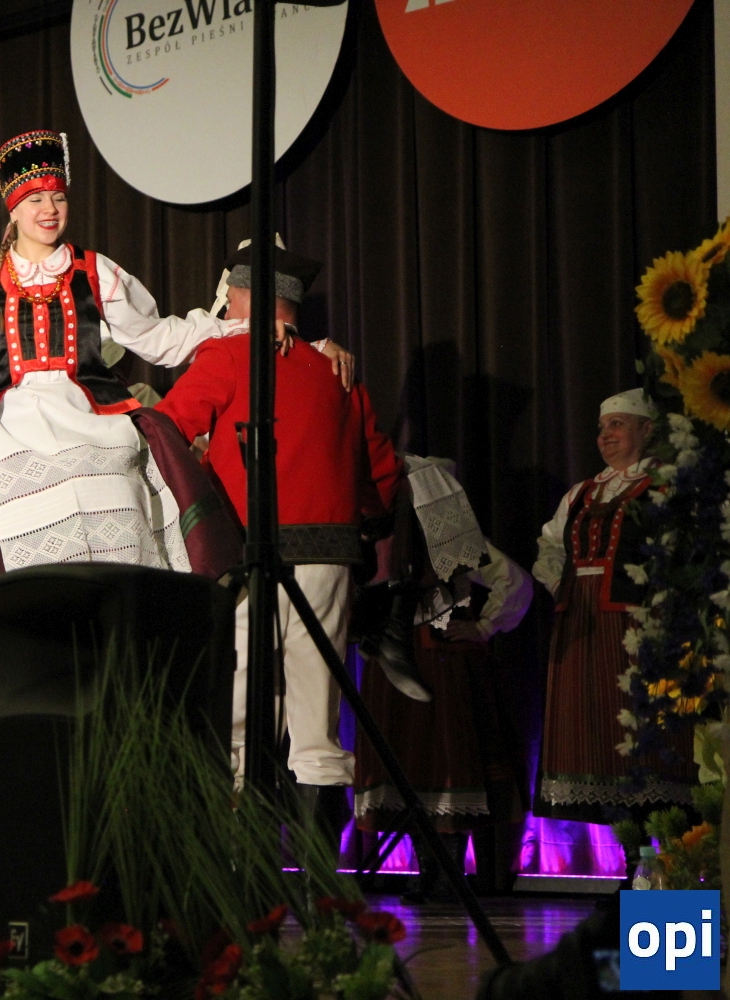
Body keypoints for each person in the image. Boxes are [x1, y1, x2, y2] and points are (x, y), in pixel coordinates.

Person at [155, 238, 403, 836]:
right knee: (316, 723)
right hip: (330, 560)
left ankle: (241, 865)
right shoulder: (340, 374)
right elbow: (382, 481)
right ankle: (321, 878)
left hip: (252, 556)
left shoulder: (227, 355)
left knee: (240, 714)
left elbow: (165, 428)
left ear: (243, 296)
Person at [352, 457, 533, 902]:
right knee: (408, 765)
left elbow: (515, 581)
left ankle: (449, 869)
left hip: (444, 664)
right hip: (395, 666)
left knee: (447, 763)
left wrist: (483, 626)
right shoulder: (385, 547)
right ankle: (427, 868)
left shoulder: (459, 545)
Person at [531, 389, 693, 825]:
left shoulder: (666, 484)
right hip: (580, 624)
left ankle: (657, 859)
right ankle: (625, 855)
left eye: (616, 425)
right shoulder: (582, 493)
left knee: (638, 731)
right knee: (592, 730)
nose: (605, 435)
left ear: (647, 429)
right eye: (601, 428)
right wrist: (561, 585)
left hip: (637, 626)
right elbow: (550, 546)